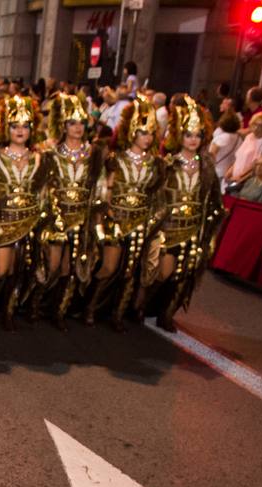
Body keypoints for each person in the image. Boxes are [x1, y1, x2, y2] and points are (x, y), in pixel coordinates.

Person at [143, 96, 224, 332]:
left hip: (194, 229)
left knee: (184, 275)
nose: (193, 140)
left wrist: (209, 232)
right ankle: (143, 306)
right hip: (168, 228)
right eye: (189, 135)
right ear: (180, 136)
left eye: (198, 135)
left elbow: (214, 200)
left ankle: (166, 315)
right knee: (162, 273)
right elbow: (154, 196)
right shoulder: (167, 164)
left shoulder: (207, 166)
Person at [84, 97, 164, 330]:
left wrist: (151, 222)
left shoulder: (156, 164)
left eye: (150, 133)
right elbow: (104, 189)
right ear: (131, 132)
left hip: (140, 222)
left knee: (130, 271)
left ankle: (119, 313)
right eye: (142, 132)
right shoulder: (114, 159)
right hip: (114, 220)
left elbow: (155, 196)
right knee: (108, 267)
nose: (147, 137)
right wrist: (106, 215)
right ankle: (90, 306)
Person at [0, 93, 45, 330]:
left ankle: (9, 311)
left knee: (19, 270)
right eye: (15, 125)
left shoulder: (38, 158)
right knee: (0, 269)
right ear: (8, 127)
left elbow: (41, 191)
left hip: (28, 221)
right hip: (2, 221)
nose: (20, 130)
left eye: (25, 126)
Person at [38, 91, 103, 330]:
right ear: (63, 125)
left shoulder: (94, 154)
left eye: (81, 122)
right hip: (55, 219)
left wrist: (96, 220)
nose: (77, 127)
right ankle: (36, 305)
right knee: (52, 266)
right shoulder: (50, 153)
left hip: (81, 221)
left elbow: (99, 187)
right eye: (72, 122)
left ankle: (59, 311)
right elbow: (43, 188)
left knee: (70, 269)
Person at [209, 112, 241, 181]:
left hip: (216, 171)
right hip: (228, 172)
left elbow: (212, 154)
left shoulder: (221, 138)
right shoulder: (239, 138)